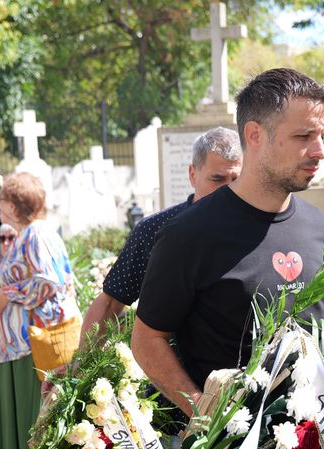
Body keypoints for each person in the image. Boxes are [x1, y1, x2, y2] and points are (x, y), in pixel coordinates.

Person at [132, 68, 324, 417]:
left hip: (308, 448)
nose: (319, 151)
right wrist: (204, 411)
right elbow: (147, 339)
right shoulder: (190, 234)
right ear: (255, 135)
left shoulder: (322, 231)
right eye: (304, 135)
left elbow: (315, 342)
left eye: (322, 135)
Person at [77, 127, 242, 337]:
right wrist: (81, 363)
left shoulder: (260, 227)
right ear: (193, 175)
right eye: (217, 179)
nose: (228, 189)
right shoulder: (155, 230)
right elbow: (110, 302)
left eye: (236, 179)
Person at [0, 172, 78, 449]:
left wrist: (5, 296)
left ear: (13, 204)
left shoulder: (36, 234)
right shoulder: (27, 234)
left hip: (34, 343)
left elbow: (49, 281)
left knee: (35, 417)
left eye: (2, 199)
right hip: (20, 345)